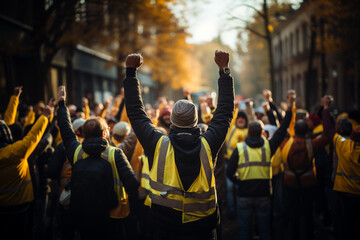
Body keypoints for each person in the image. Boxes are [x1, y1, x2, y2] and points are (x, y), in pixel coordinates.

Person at [123, 50, 234, 240]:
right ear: (195, 120)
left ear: (172, 120)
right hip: (203, 229)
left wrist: (131, 73)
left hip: (165, 228)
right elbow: (224, 112)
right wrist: (224, 71)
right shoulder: (208, 144)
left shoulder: (157, 143)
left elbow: (135, 112)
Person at [56, 86, 139, 240]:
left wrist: (61, 105)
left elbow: (66, 130)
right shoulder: (116, 153)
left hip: (84, 213)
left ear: (83, 133)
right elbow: (133, 185)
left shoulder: (76, 151)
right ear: (103, 134)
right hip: (114, 214)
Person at [226, 90, 295, 240]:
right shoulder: (268, 147)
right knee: (265, 231)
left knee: (245, 231)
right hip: (264, 195)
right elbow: (282, 130)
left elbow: (229, 172)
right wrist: (290, 107)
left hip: (244, 194)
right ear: (262, 133)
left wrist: (240, 183)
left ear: (248, 133)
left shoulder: (240, 149)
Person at [0, 86, 51, 240]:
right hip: (22, 204)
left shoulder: (14, 149)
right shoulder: (16, 152)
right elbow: (33, 136)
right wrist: (45, 117)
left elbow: (7, 124)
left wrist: (14, 98)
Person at [281, 95, 333, 240]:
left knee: (294, 214)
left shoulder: (286, 143)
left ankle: (294, 235)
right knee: (308, 213)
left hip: (290, 183)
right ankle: (309, 235)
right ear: (307, 132)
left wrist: (290, 106)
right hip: (309, 183)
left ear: (294, 131)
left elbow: (285, 127)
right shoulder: (312, 144)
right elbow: (327, 135)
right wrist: (326, 109)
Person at [322, 96, 360, 240]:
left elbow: (329, 129)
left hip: (345, 192)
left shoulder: (343, 144)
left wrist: (326, 108)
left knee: (347, 224)